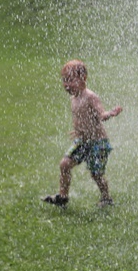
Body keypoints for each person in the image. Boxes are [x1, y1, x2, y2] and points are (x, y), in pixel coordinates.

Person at [43, 59, 123, 208]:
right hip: (81, 141)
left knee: (96, 174)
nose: (66, 85)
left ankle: (106, 198)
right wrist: (78, 130)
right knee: (65, 164)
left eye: (70, 80)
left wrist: (110, 113)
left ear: (83, 78)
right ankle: (63, 197)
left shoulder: (90, 97)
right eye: (64, 81)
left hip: (98, 142)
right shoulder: (73, 99)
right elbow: (81, 118)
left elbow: (100, 115)